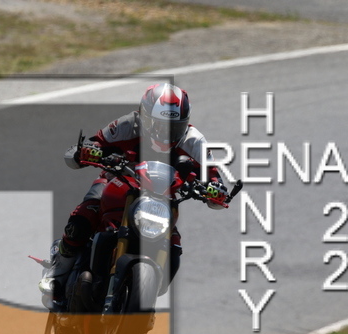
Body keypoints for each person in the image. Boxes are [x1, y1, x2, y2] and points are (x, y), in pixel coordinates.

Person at [39, 83, 229, 310]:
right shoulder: (126, 125)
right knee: (82, 219)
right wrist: (87, 152)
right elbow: (92, 146)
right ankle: (57, 274)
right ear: (144, 116)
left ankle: (139, 295)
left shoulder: (194, 141)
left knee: (174, 247)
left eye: (175, 127)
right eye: (159, 125)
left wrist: (215, 190)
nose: (166, 133)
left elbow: (213, 176)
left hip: (161, 198)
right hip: (117, 181)